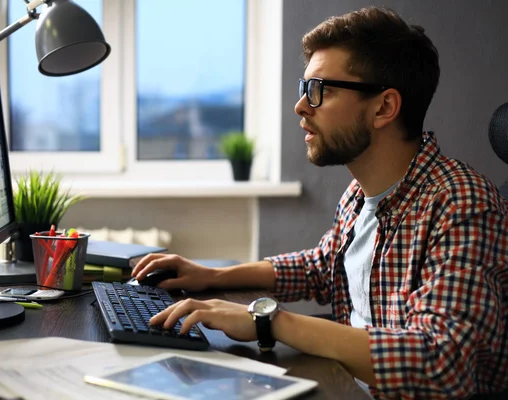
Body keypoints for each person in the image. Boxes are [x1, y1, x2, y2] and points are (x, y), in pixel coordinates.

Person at [132, 6, 508, 399]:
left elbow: (443, 361)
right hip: (344, 384)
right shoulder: (359, 195)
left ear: (383, 108)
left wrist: (268, 321)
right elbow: (323, 267)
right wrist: (211, 276)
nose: (301, 107)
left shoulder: (461, 203)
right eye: (304, 88)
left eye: (320, 90)